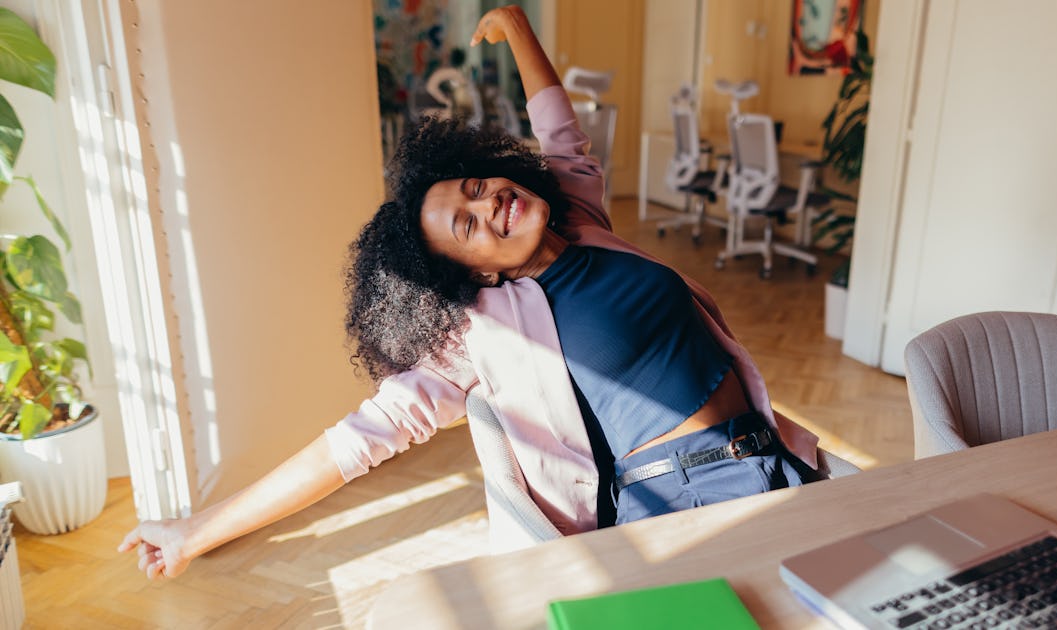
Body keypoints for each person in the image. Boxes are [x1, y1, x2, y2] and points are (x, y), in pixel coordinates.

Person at [119, 5, 821, 580]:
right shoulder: (487, 328)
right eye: (467, 224)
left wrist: (516, 26)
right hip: (681, 504)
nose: (490, 204)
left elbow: (560, 131)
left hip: (769, 454)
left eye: (478, 187)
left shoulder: (580, 222)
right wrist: (195, 533)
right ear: (476, 273)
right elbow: (351, 445)